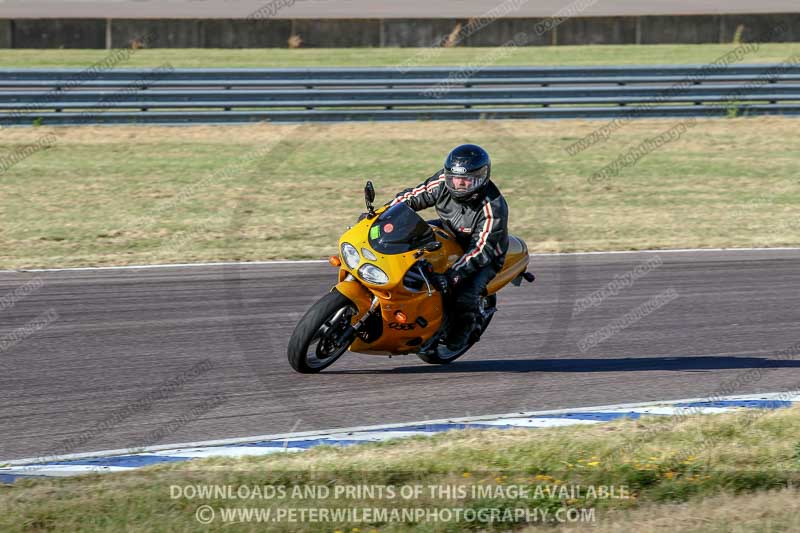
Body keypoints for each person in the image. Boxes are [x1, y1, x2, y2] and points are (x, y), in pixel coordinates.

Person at [389, 144, 509, 351]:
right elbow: (412, 197)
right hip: (449, 231)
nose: (459, 184)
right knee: (407, 242)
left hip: (485, 254)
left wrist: (453, 274)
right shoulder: (443, 182)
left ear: (481, 179)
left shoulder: (493, 207)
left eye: (466, 180)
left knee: (464, 294)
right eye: (455, 178)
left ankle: (465, 330)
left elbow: (481, 249)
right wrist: (384, 214)